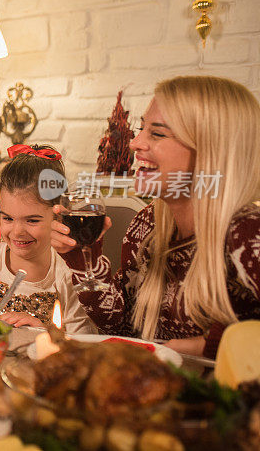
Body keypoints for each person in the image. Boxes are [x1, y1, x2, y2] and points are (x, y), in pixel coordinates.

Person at [52, 76, 260, 358]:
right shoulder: (147, 224)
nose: (136, 143)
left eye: (157, 134)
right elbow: (120, 325)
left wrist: (210, 346)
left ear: (211, 150)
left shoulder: (248, 233)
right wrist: (83, 260)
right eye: (141, 129)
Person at [0, 144, 95, 334]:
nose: (18, 231)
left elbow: (84, 341)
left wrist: (43, 331)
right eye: (8, 218)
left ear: (58, 217)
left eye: (32, 220)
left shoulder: (67, 276)